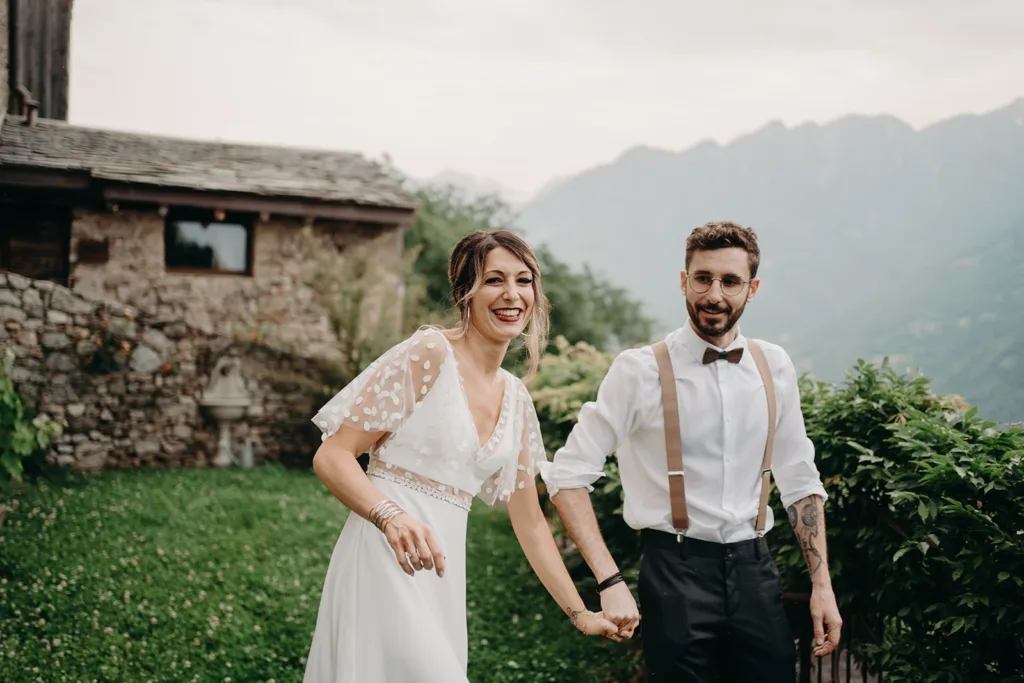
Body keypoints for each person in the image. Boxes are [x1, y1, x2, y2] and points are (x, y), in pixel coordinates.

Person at [302, 229, 619, 682]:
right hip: (383, 557)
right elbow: (332, 456)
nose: (512, 294)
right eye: (494, 280)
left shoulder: (517, 401)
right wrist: (390, 516)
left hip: (441, 576)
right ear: (463, 292)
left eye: (524, 280)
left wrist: (579, 612)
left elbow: (530, 524)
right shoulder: (429, 353)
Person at [539, 221, 843, 682]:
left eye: (730, 281)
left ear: (752, 289)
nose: (714, 294)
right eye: (703, 278)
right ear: (684, 280)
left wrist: (822, 586)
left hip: (755, 568)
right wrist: (610, 581)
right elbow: (567, 477)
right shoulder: (638, 371)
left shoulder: (774, 365)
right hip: (673, 572)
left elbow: (800, 482)